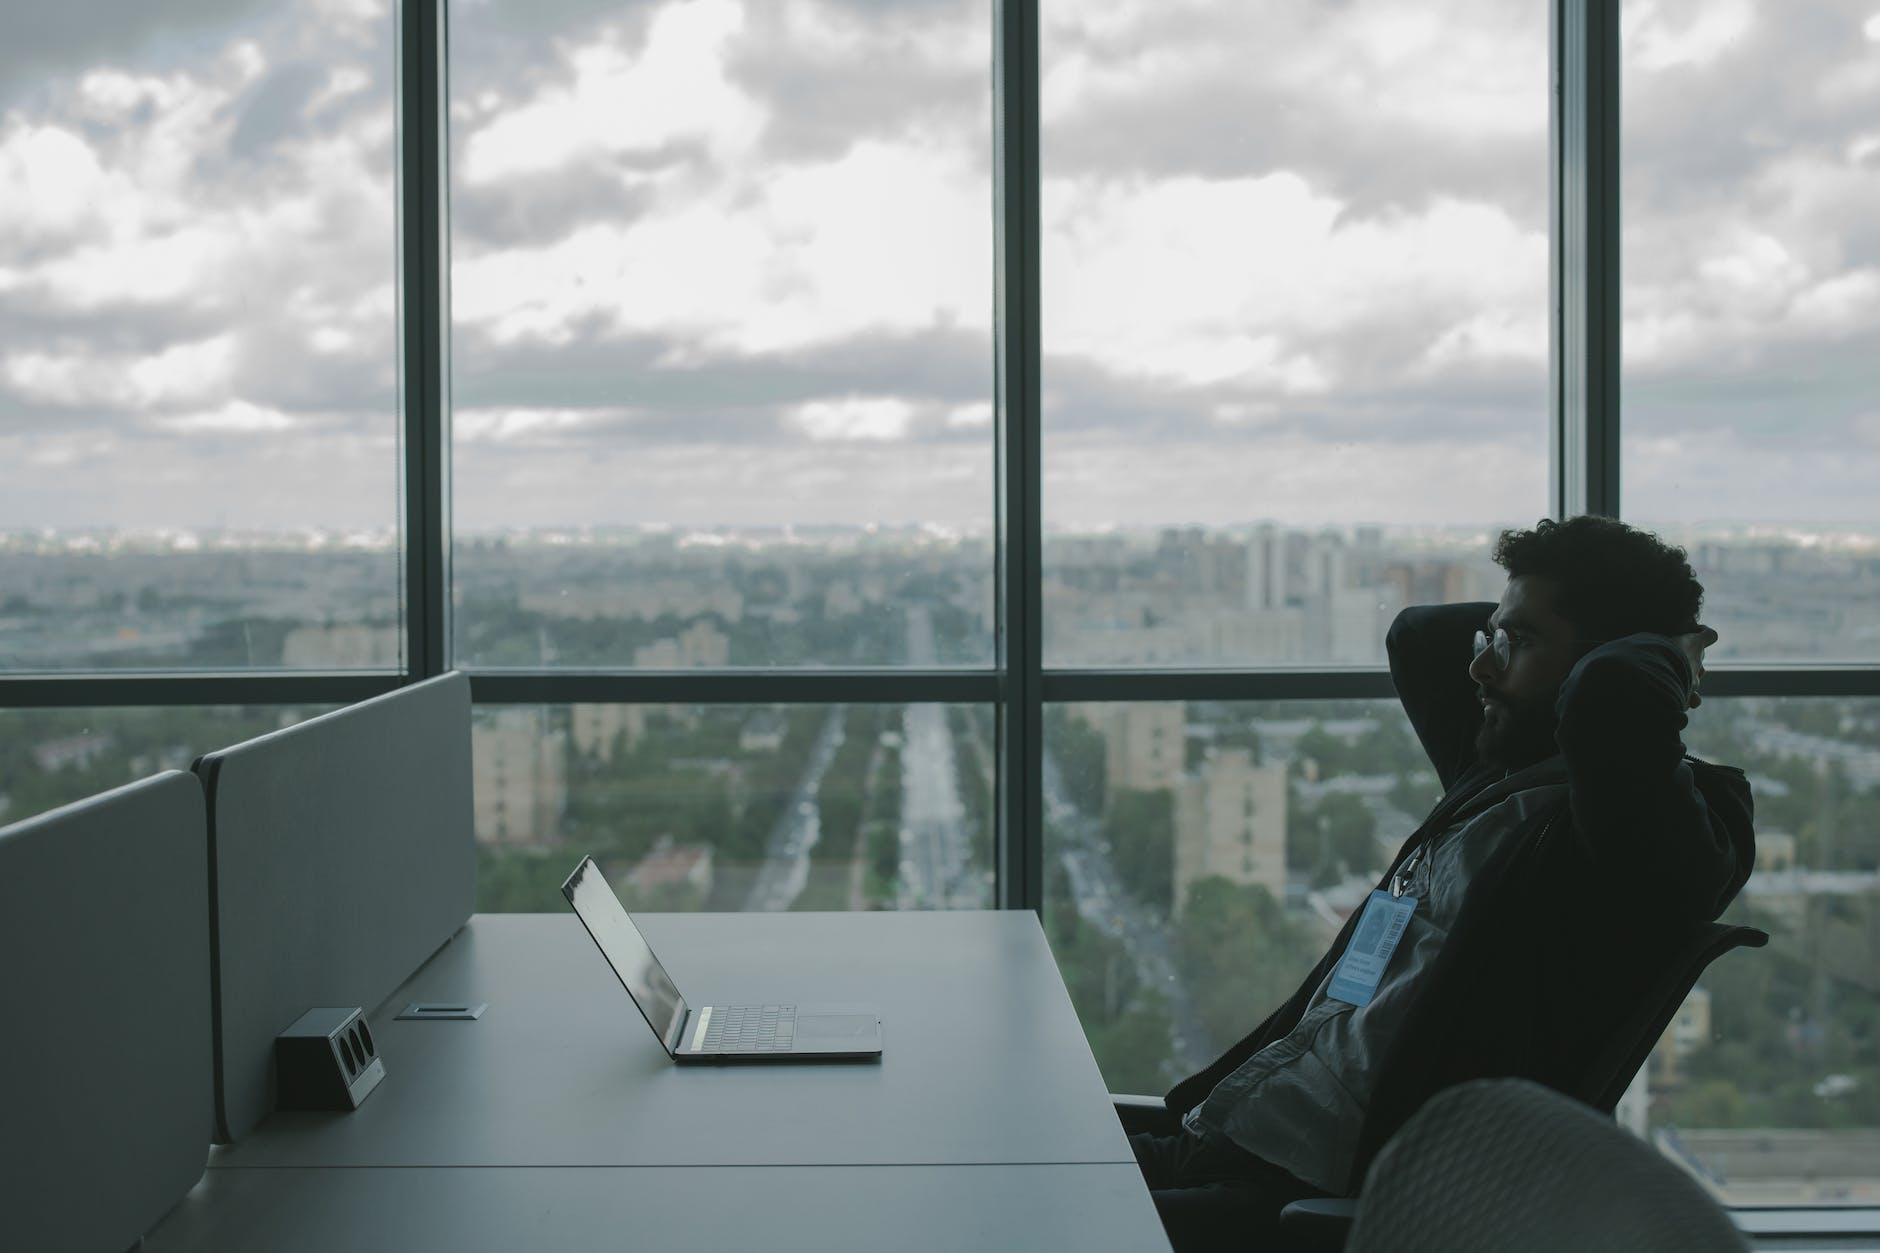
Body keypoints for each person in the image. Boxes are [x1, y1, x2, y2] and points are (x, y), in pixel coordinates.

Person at [1128, 515, 1756, 1252]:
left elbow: (1611, 697)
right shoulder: (1495, 776)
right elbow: (1418, 636)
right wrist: (1519, 631)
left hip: (1297, 1203)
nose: (1480, 668)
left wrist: (1659, 652)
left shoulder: (1636, 844)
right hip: (1224, 1138)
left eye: (1516, 644)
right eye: (1494, 638)